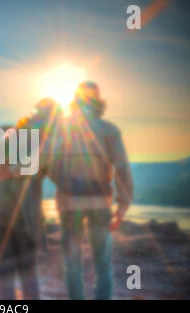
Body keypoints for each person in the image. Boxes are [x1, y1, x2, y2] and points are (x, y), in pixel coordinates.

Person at [47, 81, 133, 300]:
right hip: (100, 203)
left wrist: (65, 183)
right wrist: (122, 208)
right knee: (103, 265)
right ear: (98, 101)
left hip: (68, 204)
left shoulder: (62, 128)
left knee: (72, 265)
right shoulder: (110, 130)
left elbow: (49, 163)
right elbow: (122, 169)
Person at [0, 98, 59, 300]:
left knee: (19, 275)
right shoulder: (8, 132)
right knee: (21, 275)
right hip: (10, 218)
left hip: (14, 219)